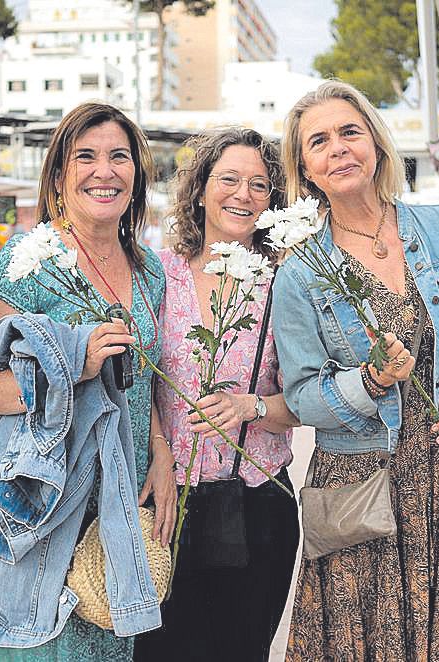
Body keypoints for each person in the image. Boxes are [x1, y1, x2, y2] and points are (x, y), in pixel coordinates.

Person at [273, 80, 439, 661]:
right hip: (359, 487)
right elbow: (302, 395)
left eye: (349, 132)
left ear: (376, 145)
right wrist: (372, 380)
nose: (338, 148)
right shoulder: (300, 270)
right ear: (305, 168)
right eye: (319, 141)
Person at [0, 102, 177, 661]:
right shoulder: (28, 260)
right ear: (59, 174)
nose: (104, 171)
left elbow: (141, 382)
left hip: (120, 497)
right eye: (86, 156)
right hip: (48, 503)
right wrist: (71, 370)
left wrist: (160, 454)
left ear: (138, 173)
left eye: (119, 157)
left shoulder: (148, 269)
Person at [133, 128, 300, 662]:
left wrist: (251, 406)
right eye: (228, 179)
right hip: (163, 506)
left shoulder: (286, 282)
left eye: (259, 185)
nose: (243, 194)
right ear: (200, 188)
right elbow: (137, 381)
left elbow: (311, 398)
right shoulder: (155, 271)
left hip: (255, 507)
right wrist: (159, 446)